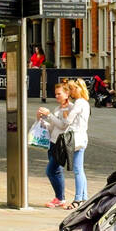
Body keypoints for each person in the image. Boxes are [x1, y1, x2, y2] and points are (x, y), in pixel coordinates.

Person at [39, 78, 91, 209]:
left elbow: (66, 123)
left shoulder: (79, 103)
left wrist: (53, 116)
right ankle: (83, 197)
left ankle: (78, 198)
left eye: (72, 89)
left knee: (77, 170)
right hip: (80, 138)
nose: (71, 92)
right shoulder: (84, 103)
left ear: (78, 89)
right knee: (79, 169)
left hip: (76, 139)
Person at [36, 81, 74, 207]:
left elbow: (63, 125)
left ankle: (60, 198)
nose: (57, 96)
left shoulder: (70, 108)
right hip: (52, 142)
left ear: (67, 93)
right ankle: (59, 197)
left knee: (51, 170)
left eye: (59, 94)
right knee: (56, 171)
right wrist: (41, 119)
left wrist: (50, 115)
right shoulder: (58, 108)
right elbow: (52, 127)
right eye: (56, 94)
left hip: (61, 144)